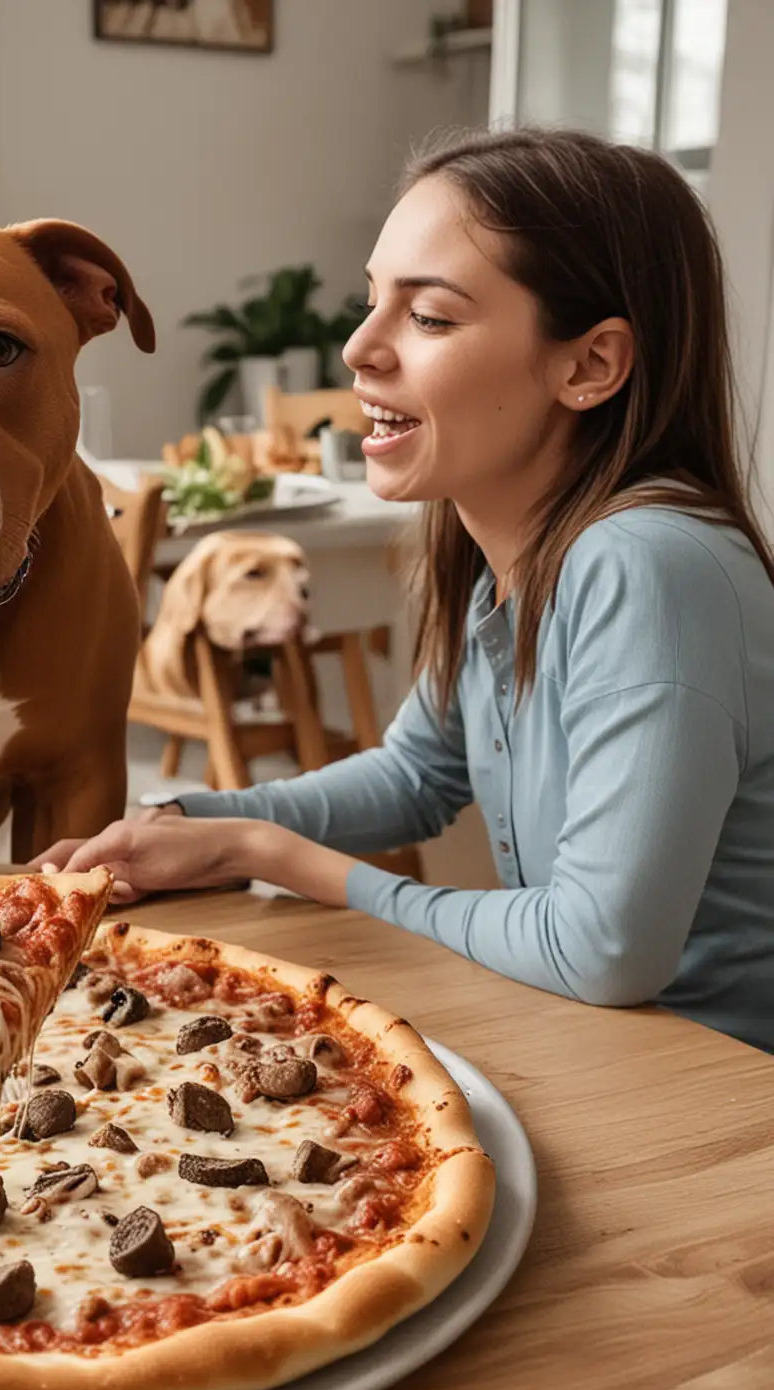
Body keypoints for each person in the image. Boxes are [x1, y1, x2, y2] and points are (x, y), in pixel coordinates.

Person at [40, 128, 774, 1053]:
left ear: (589, 366)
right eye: (371, 301)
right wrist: (197, 819)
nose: (357, 348)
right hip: (604, 1042)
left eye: (428, 317)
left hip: (720, 1099)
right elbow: (418, 777)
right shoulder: (509, 554)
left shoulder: (649, 567)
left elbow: (602, 949)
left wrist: (271, 856)